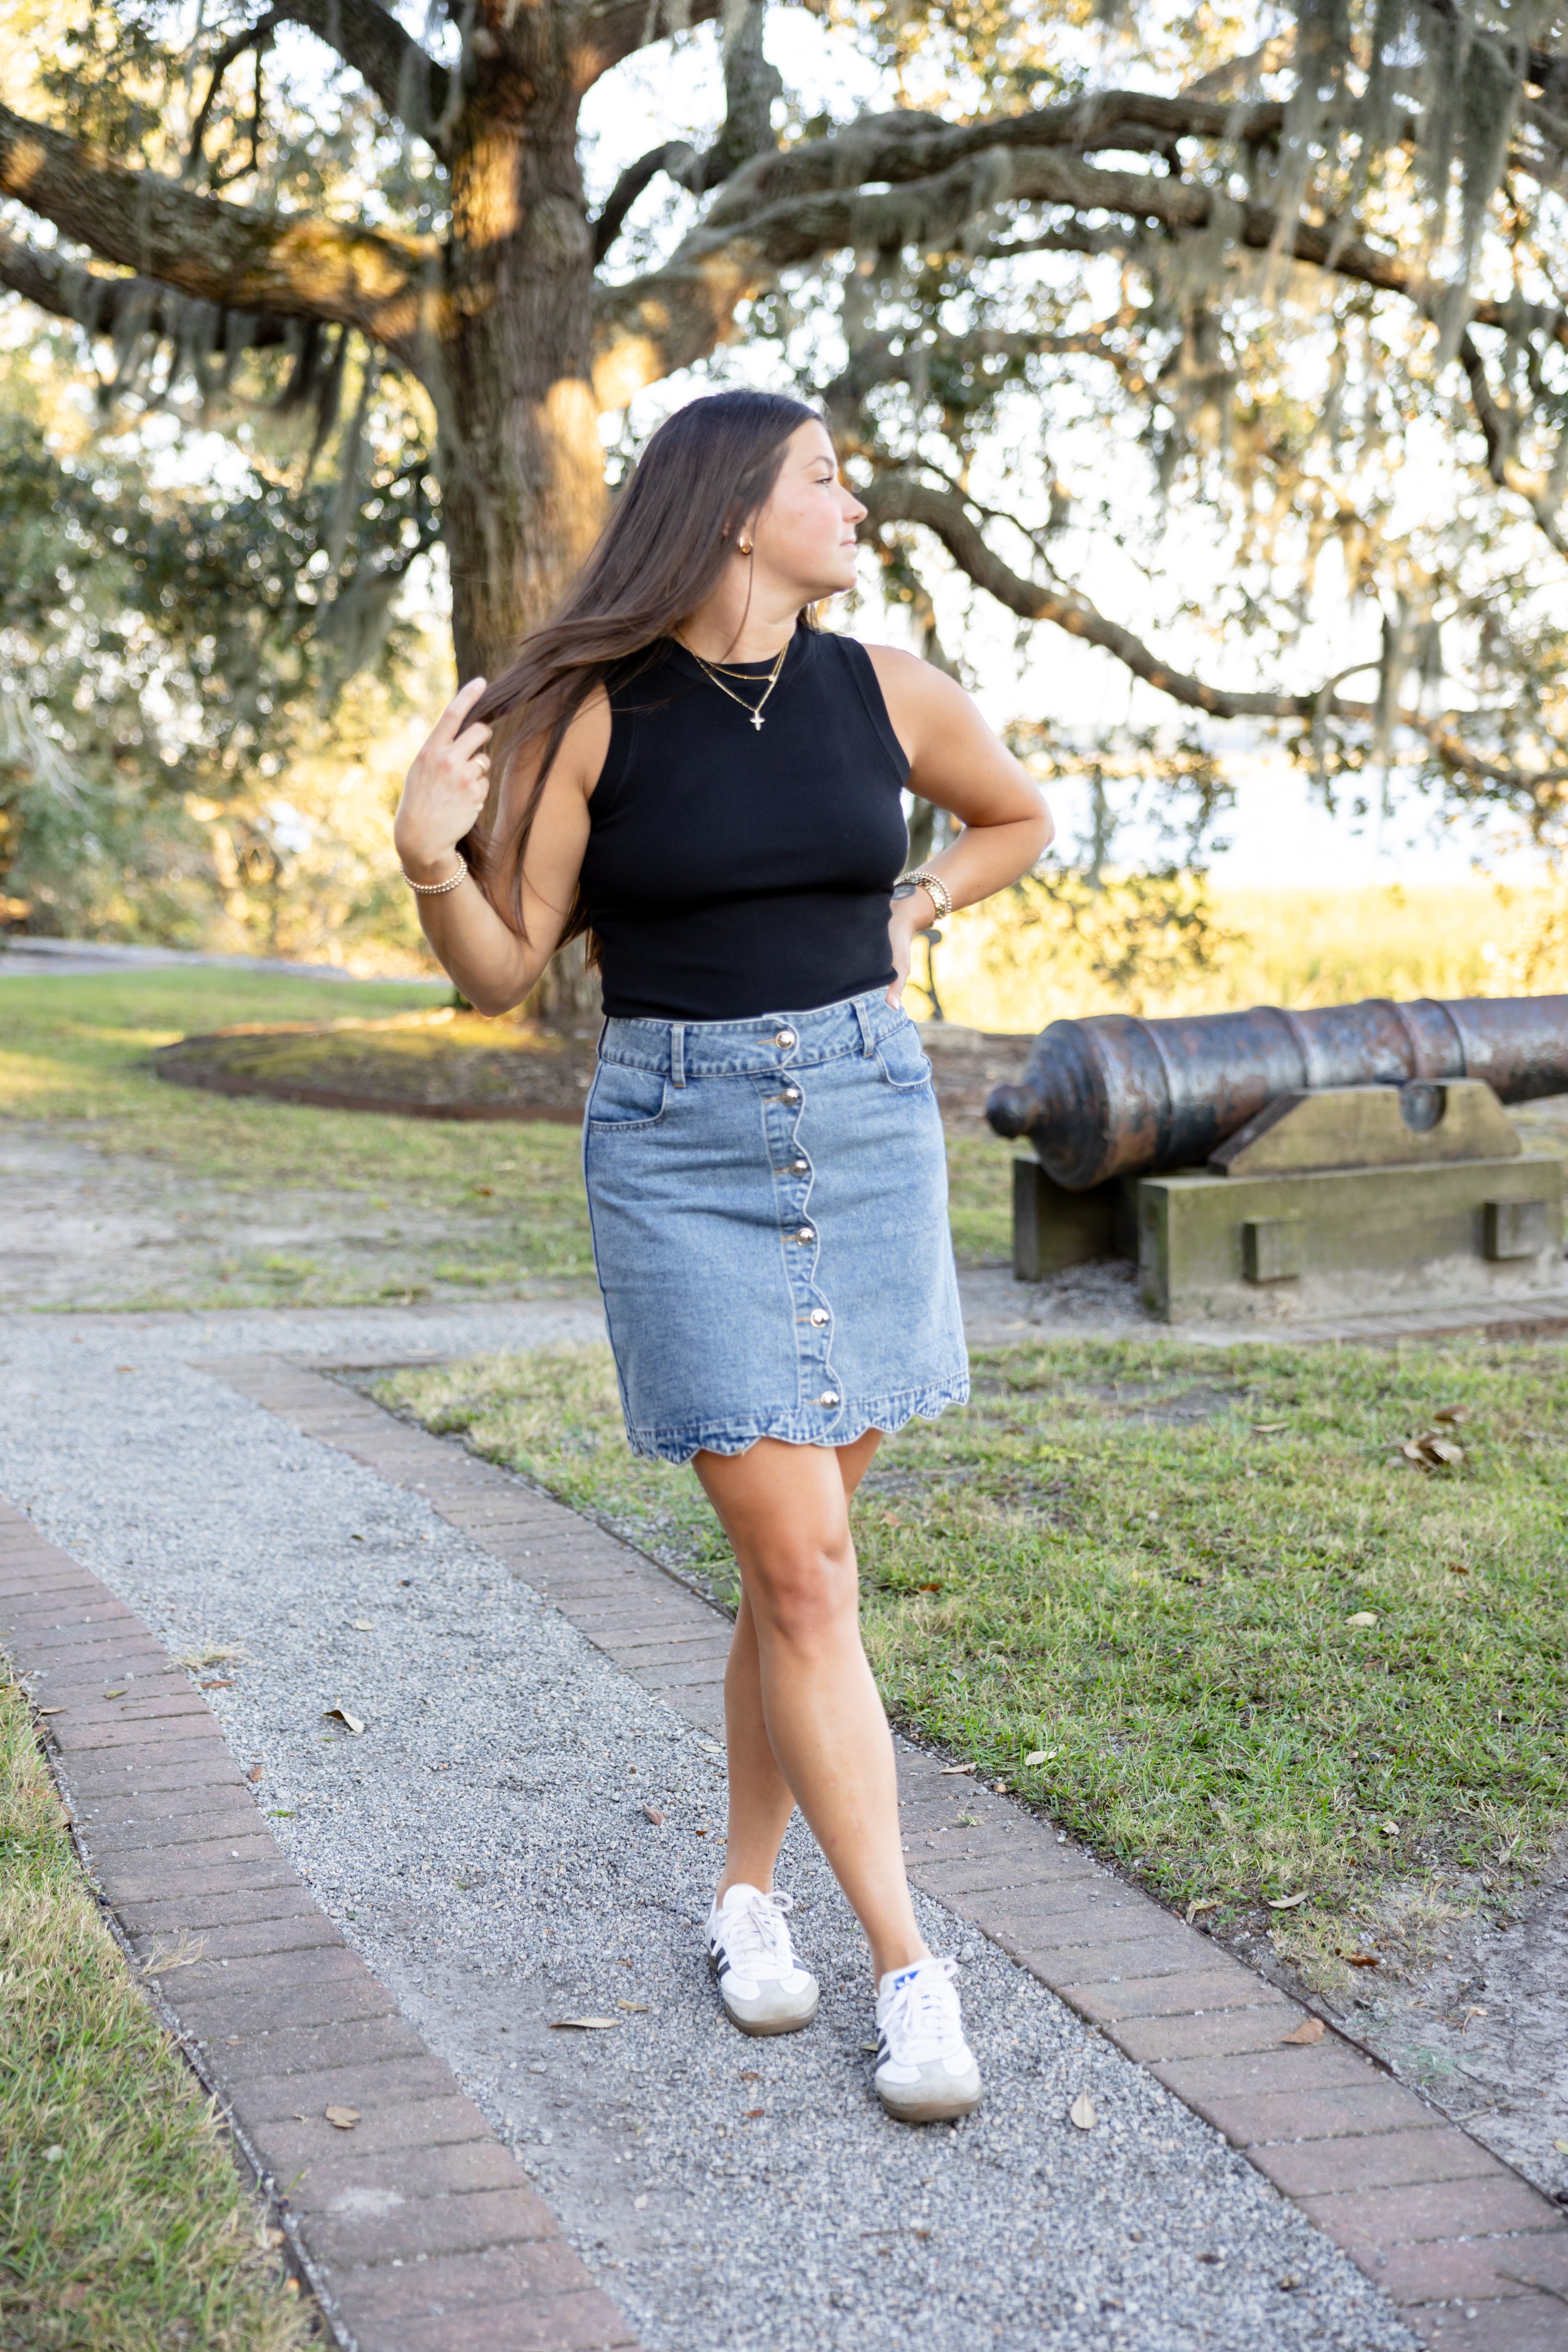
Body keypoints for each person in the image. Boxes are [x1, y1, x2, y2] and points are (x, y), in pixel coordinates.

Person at [394, 390, 1052, 2123]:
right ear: (736, 510)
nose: (857, 502)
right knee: (811, 1574)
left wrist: (914, 914)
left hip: (862, 1116)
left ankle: (746, 1897)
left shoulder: (883, 689)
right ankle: (916, 1972)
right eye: (828, 477)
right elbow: (501, 968)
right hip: (679, 1147)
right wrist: (421, 858)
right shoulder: (595, 719)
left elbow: (1014, 819)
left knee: (798, 1568)